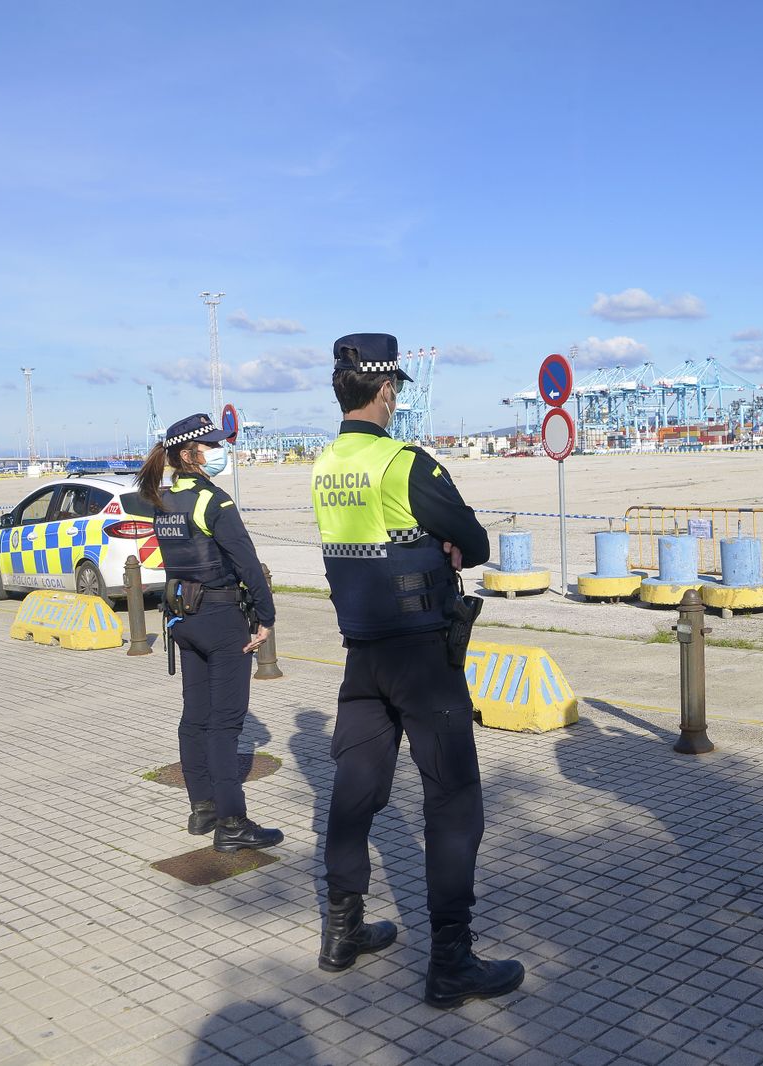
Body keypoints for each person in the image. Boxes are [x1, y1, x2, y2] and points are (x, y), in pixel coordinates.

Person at [310, 333, 523, 1008]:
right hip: (422, 660)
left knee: (354, 793)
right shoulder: (405, 463)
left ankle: (341, 933)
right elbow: (478, 541)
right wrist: (443, 544)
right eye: (396, 389)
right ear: (386, 390)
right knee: (454, 801)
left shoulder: (322, 465)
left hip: (361, 656)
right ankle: (451, 961)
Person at [137, 413, 282, 854]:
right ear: (189, 455)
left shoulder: (160, 499)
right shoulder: (213, 502)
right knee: (224, 725)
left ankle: (202, 808)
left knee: (195, 716)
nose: (220, 452)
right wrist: (265, 615)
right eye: (212, 446)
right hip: (221, 620)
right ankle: (232, 822)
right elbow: (246, 563)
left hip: (183, 618)